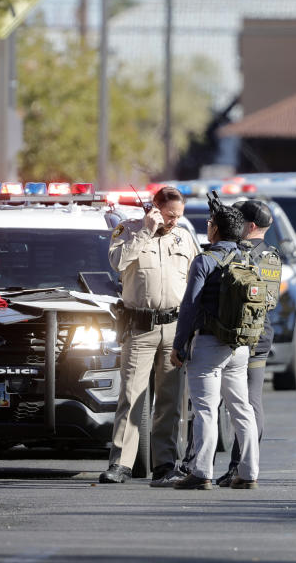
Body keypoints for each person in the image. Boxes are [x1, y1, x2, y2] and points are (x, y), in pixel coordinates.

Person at [99, 186, 199, 485]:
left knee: (170, 399)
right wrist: (146, 232)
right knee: (131, 395)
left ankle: (165, 462)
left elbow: (197, 277)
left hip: (175, 327)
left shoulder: (184, 237)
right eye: (169, 215)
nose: (174, 221)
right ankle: (121, 463)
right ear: (153, 209)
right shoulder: (127, 231)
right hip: (140, 326)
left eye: (178, 216)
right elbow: (117, 263)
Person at [170, 206, 259, 490]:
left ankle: (201, 472)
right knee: (241, 408)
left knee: (206, 410)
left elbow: (189, 307)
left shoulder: (205, 260)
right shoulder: (248, 258)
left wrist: (179, 345)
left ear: (215, 229)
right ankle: (248, 473)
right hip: (239, 346)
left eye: (209, 223)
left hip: (208, 344)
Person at [213, 199, 281, 487]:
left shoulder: (239, 254)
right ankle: (244, 466)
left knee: (220, 402)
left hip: (235, 334)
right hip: (261, 333)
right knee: (252, 402)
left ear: (251, 226)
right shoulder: (273, 256)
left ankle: (234, 467)